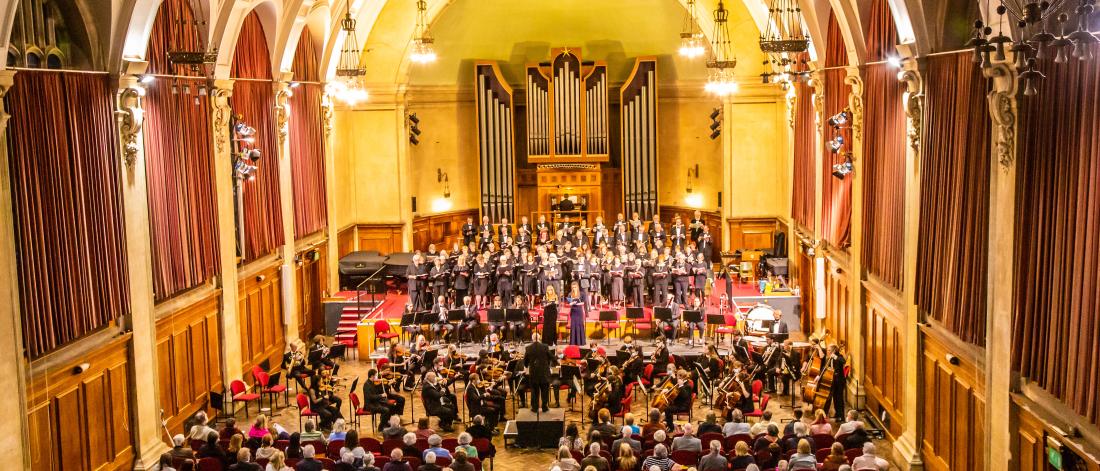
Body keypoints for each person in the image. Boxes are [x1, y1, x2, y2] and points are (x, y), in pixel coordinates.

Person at [525, 332, 553, 412]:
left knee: (534, 391)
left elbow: (525, 361)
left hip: (534, 373)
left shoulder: (528, 348)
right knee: (545, 391)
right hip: (544, 373)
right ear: (539, 338)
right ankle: (544, 407)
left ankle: (535, 408)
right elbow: (550, 357)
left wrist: (526, 365)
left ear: (532, 339)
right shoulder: (545, 346)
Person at [824, 345, 847, 421]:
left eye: (829, 350)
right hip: (832, 380)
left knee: (839, 398)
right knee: (834, 398)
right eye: (827, 350)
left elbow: (843, 361)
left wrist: (835, 356)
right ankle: (837, 413)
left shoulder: (838, 356)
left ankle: (842, 416)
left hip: (839, 381)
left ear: (834, 351)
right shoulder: (829, 358)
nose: (827, 352)